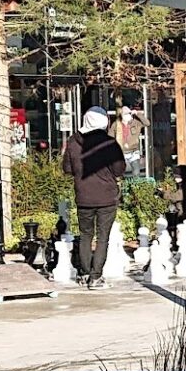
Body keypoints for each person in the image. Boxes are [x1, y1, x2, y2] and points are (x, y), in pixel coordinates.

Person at [60, 108, 126, 284]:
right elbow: (119, 169)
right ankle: (96, 276)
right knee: (103, 237)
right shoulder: (109, 143)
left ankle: (84, 272)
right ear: (104, 122)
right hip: (107, 197)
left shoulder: (73, 142)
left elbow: (67, 169)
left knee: (85, 235)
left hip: (83, 196)